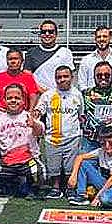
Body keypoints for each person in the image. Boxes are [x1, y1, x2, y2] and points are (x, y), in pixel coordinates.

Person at [33, 65, 83, 200]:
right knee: (53, 165)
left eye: (65, 76)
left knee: (70, 166)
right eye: (59, 77)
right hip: (53, 138)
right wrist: (36, 115)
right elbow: (39, 110)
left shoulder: (77, 94)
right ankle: (55, 187)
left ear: (72, 78)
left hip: (72, 137)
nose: (62, 80)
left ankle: (69, 187)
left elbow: (81, 115)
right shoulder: (48, 95)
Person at [0, 84, 44, 197]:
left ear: (23, 101)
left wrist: (34, 125)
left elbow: (40, 132)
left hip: (28, 159)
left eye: (17, 98)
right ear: (4, 100)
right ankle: (10, 183)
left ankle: (30, 186)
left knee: (37, 172)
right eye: (10, 98)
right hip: (6, 160)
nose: (13, 101)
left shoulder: (28, 117)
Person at [67, 127, 112, 208]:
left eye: (110, 143)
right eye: (103, 143)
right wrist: (73, 176)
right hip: (103, 182)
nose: (107, 146)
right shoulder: (100, 151)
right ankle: (81, 195)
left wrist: (97, 197)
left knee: (104, 200)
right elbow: (79, 157)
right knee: (83, 163)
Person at [81, 61, 112, 155]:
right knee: (87, 167)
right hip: (91, 141)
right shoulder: (85, 94)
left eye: (107, 75)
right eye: (99, 75)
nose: (103, 77)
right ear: (94, 77)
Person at [24, 20, 75, 93]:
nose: (47, 34)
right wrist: (44, 92)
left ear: (56, 34)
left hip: (61, 95)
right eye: (44, 32)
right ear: (40, 34)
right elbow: (27, 75)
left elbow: (70, 76)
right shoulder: (31, 52)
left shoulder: (65, 52)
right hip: (39, 96)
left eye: (50, 31)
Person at [77, 26, 112, 91]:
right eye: (99, 37)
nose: (102, 39)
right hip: (91, 99)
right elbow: (82, 85)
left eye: (105, 36)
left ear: (110, 39)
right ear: (95, 39)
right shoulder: (86, 60)